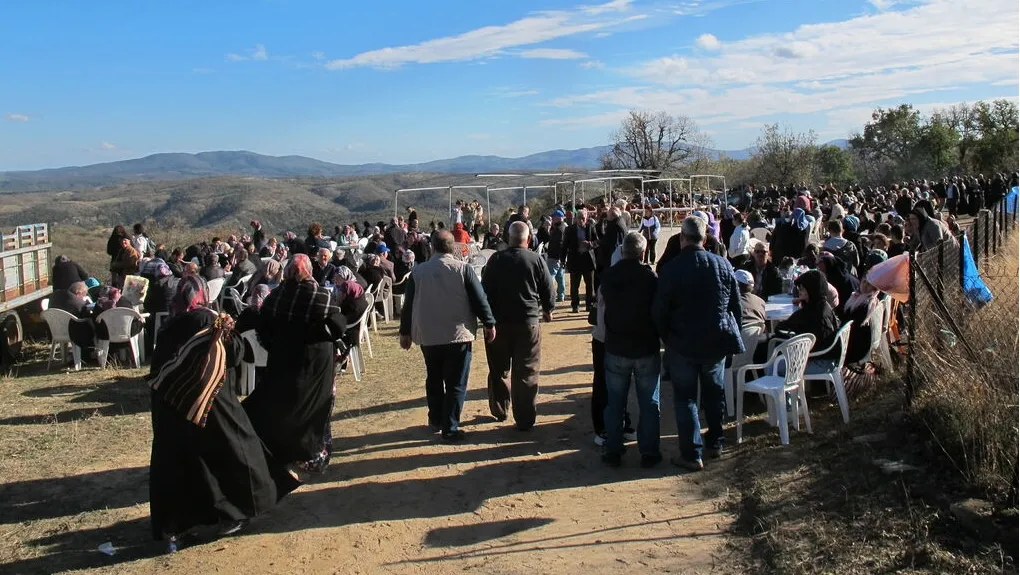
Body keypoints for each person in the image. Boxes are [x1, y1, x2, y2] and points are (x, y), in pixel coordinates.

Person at [148, 279, 299, 549]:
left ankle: (174, 525)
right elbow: (236, 352)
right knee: (235, 451)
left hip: (170, 405)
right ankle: (233, 513)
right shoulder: (210, 320)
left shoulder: (169, 324)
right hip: (212, 402)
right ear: (203, 295)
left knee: (179, 465)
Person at [652, 216, 743, 472]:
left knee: (685, 398)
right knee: (714, 394)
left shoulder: (671, 269)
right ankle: (715, 442)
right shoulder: (723, 265)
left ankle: (692, 453)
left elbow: (660, 310)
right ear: (704, 238)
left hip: (682, 343)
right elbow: (735, 306)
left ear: (682, 238)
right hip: (714, 341)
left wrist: (666, 337)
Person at [243, 254, 347, 475]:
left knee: (284, 407)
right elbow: (338, 325)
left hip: (283, 362)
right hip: (315, 365)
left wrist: (277, 344)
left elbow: (263, 327)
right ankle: (312, 455)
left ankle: (281, 452)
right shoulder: (320, 296)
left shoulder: (276, 297)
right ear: (308, 270)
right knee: (315, 408)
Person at [399, 231, 496, 442]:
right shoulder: (463, 269)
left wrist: (405, 332)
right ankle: (450, 427)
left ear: (432, 247)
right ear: (453, 248)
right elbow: (479, 299)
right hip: (458, 335)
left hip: (428, 335)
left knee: (433, 377)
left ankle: (435, 418)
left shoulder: (418, 272)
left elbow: (408, 305)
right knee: (456, 382)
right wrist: (489, 322)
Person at [481, 222, 555, 431]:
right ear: (529, 238)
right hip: (528, 322)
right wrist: (548, 309)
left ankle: (500, 409)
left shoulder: (496, 259)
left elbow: (484, 291)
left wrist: (487, 320)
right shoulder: (536, 259)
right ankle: (524, 418)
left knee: (498, 368)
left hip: (499, 324)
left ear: (508, 238)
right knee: (526, 371)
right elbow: (548, 289)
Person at [599, 232, 661, 468]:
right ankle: (650, 452)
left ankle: (613, 450)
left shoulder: (609, 276)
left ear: (622, 251)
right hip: (645, 346)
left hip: (616, 346)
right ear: (643, 252)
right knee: (649, 403)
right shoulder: (650, 278)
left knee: (615, 403)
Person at [774, 269, 841, 373]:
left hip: (820, 362)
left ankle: (774, 389)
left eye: (802, 288)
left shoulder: (813, 313)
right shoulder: (824, 306)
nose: (799, 290)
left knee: (774, 366)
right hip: (828, 359)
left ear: (811, 289)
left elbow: (781, 327)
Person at [562, 208, 599, 313]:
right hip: (575, 261)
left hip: (588, 261)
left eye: (583, 218)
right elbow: (564, 245)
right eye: (579, 218)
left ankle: (589, 304)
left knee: (590, 285)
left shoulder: (591, 227)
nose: (581, 220)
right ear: (576, 218)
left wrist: (590, 244)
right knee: (574, 285)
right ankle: (575, 305)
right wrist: (562, 259)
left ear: (586, 218)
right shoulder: (569, 229)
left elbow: (597, 242)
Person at [734, 270, 766, 334]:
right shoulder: (761, 302)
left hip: (737, 341)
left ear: (736, 284)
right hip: (756, 341)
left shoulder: (734, 303)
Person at [545, 210, 568, 302]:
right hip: (560, 257)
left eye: (554, 217)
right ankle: (561, 295)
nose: (552, 219)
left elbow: (559, 244)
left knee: (550, 277)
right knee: (560, 276)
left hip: (555, 256)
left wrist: (557, 256)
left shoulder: (559, 229)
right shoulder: (562, 227)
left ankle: (548, 296)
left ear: (558, 218)